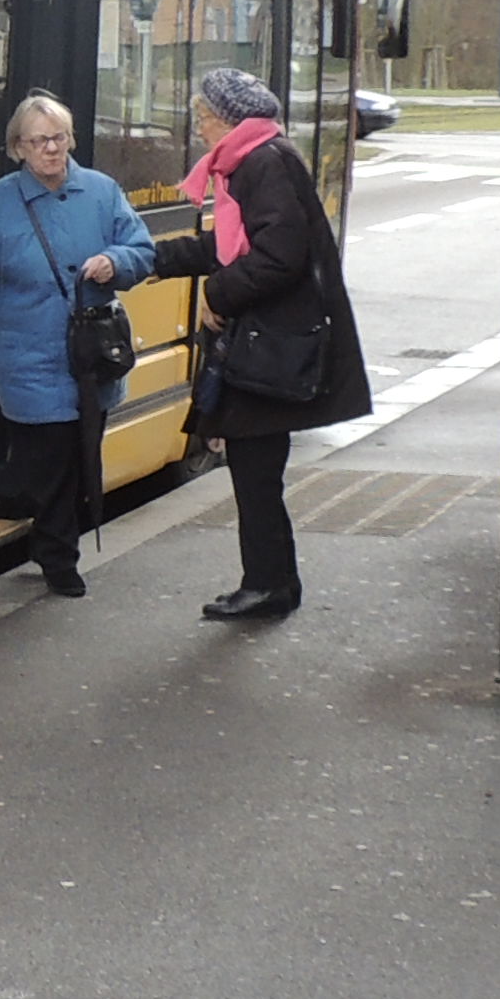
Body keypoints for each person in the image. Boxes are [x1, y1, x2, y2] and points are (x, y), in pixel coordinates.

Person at [157, 65, 371, 621]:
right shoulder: (256, 159)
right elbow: (233, 246)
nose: (199, 126)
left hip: (269, 348)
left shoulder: (261, 163)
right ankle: (271, 581)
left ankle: (270, 585)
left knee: (255, 473)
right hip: (267, 342)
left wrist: (218, 293)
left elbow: (278, 256)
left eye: (204, 116)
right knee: (255, 472)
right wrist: (159, 259)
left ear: (230, 120)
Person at [0, 90, 149, 596]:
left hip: (91, 355)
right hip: (27, 354)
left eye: (59, 138)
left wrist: (116, 261)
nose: (51, 149)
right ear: (17, 148)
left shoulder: (101, 190)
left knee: (81, 453)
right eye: (38, 141)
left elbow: (141, 248)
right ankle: (57, 555)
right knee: (48, 461)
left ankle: (56, 546)